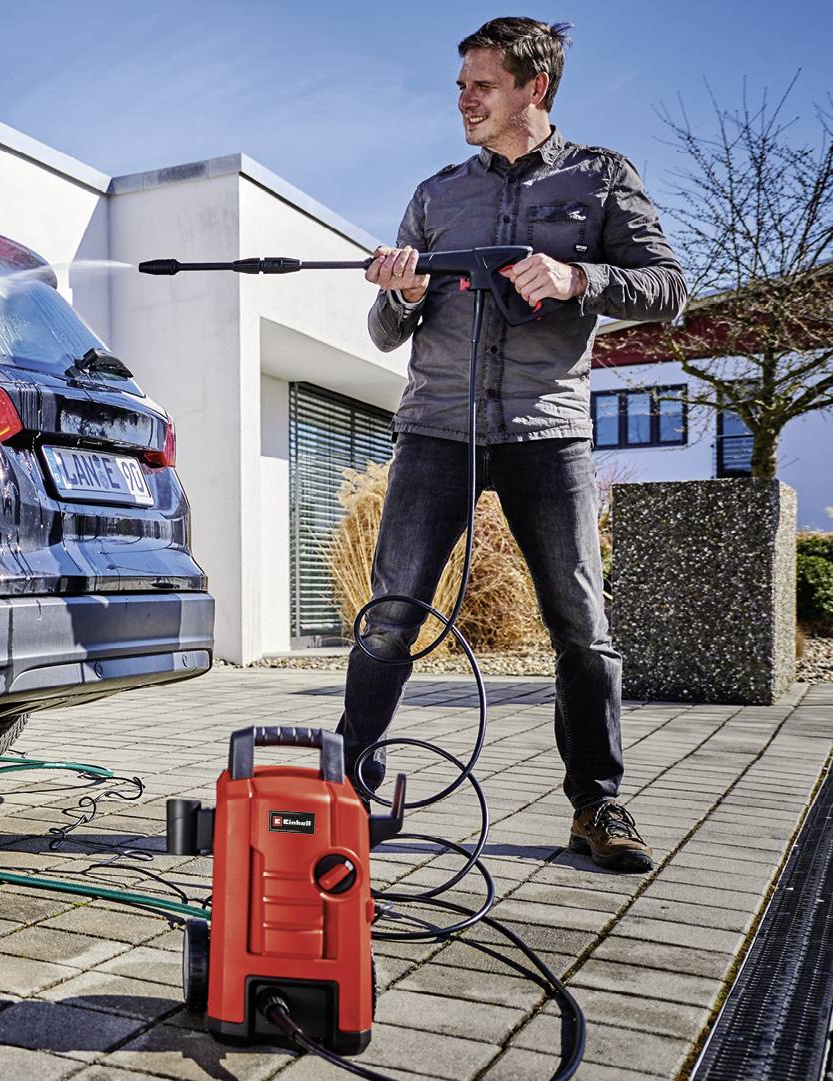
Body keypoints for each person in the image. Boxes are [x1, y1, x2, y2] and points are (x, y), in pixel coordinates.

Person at [342, 17, 687, 872]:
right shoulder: (436, 193)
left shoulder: (601, 178)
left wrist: (580, 278)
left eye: (481, 84)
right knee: (390, 616)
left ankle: (598, 802)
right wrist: (403, 291)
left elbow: (669, 288)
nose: (462, 98)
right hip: (434, 430)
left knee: (582, 626)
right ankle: (347, 786)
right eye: (461, 83)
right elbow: (387, 331)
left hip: (548, 434)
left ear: (534, 88)